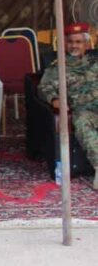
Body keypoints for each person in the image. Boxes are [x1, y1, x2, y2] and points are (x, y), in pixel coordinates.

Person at [39, 22, 98, 190]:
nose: (74, 46)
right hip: (84, 110)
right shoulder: (58, 67)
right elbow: (43, 88)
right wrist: (55, 100)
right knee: (82, 121)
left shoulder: (95, 63)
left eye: (78, 42)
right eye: (70, 42)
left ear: (87, 44)